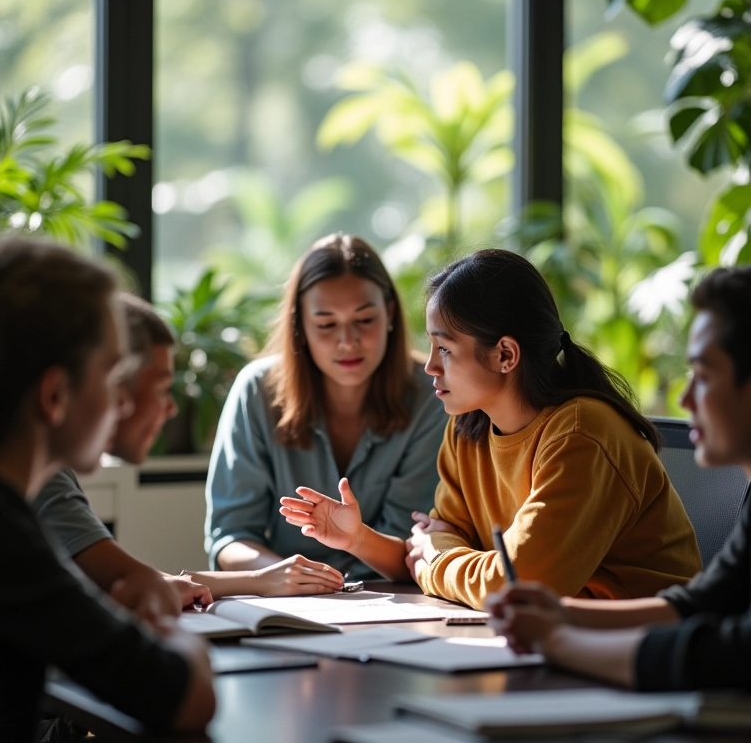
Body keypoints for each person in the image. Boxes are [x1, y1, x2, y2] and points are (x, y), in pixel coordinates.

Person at [282, 249, 701, 607]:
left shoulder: (582, 433)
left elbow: (518, 585)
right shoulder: (469, 428)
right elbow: (430, 552)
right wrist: (358, 539)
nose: (429, 365)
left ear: (504, 354)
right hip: (549, 641)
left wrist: (440, 558)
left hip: (641, 655)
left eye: (444, 348)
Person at [0, 238, 215, 741]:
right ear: (55, 395)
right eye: (112, 375)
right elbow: (188, 697)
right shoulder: (0, 533)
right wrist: (165, 630)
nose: (123, 403)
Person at [489, 265, 751, 691]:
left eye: (704, 377)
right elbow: (705, 603)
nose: (684, 399)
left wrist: (558, 641)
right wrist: (560, 613)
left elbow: (729, 654)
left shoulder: (581, 429)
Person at [37, 292, 346, 598]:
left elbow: (127, 579)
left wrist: (258, 580)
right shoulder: (36, 476)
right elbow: (132, 582)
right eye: (160, 388)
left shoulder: (41, 468)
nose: (171, 409)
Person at [207, 233, 447, 581]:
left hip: (395, 600)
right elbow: (230, 537)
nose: (347, 342)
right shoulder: (256, 391)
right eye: (326, 324)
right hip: (289, 599)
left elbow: (416, 550)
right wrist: (276, 575)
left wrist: (354, 546)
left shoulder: (432, 393)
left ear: (390, 312)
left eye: (365, 320)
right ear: (300, 324)